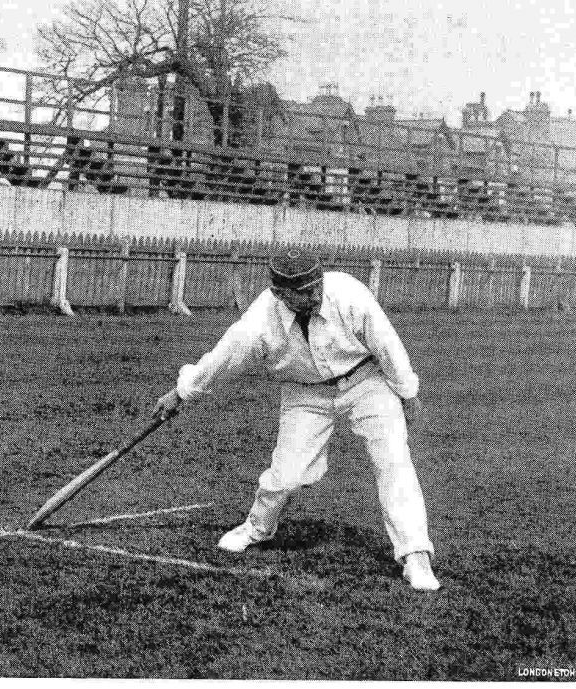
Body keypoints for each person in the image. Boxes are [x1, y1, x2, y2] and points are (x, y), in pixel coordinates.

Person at [153, 248, 440, 591]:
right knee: (286, 476)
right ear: (280, 293)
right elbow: (222, 359)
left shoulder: (349, 294)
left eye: (317, 286)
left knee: (393, 459)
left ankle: (415, 555)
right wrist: (181, 393)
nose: (316, 295)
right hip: (305, 393)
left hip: (367, 381)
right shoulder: (259, 321)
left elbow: (388, 345)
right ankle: (258, 527)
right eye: (305, 291)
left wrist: (408, 394)